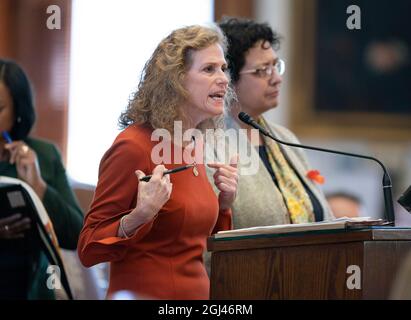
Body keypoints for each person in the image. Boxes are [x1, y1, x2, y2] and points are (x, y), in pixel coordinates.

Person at [77, 25, 238, 300]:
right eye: (209, 69)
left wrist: (224, 205)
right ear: (175, 80)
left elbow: (194, 241)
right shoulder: (133, 146)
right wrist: (140, 215)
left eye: (223, 68)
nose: (223, 78)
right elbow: (89, 248)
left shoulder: (195, 143)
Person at [210, 17, 334, 229]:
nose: (277, 78)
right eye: (263, 70)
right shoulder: (209, 144)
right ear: (228, 77)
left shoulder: (285, 138)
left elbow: (321, 213)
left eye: (276, 66)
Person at [0, 59, 83, 299]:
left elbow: (76, 236)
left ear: (18, 110)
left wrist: (39, 187)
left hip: (33, 288)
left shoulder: (45, 156)